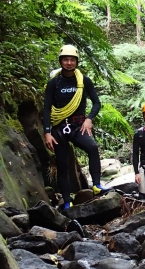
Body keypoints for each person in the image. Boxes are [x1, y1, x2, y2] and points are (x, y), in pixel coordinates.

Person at [42, 45, 110, 210]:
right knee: (63, 165)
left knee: (92, 147)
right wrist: (47, 132)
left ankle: (96, 185)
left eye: (72, 60)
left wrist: (89, 119)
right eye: (66, 59)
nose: (69, 63)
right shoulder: (53, 83)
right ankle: (67, 201)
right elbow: (46, 108)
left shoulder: (84, 81)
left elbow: (97, 102)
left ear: (77, 62)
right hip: (59, 128)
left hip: (78, 126)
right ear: (61, 61)